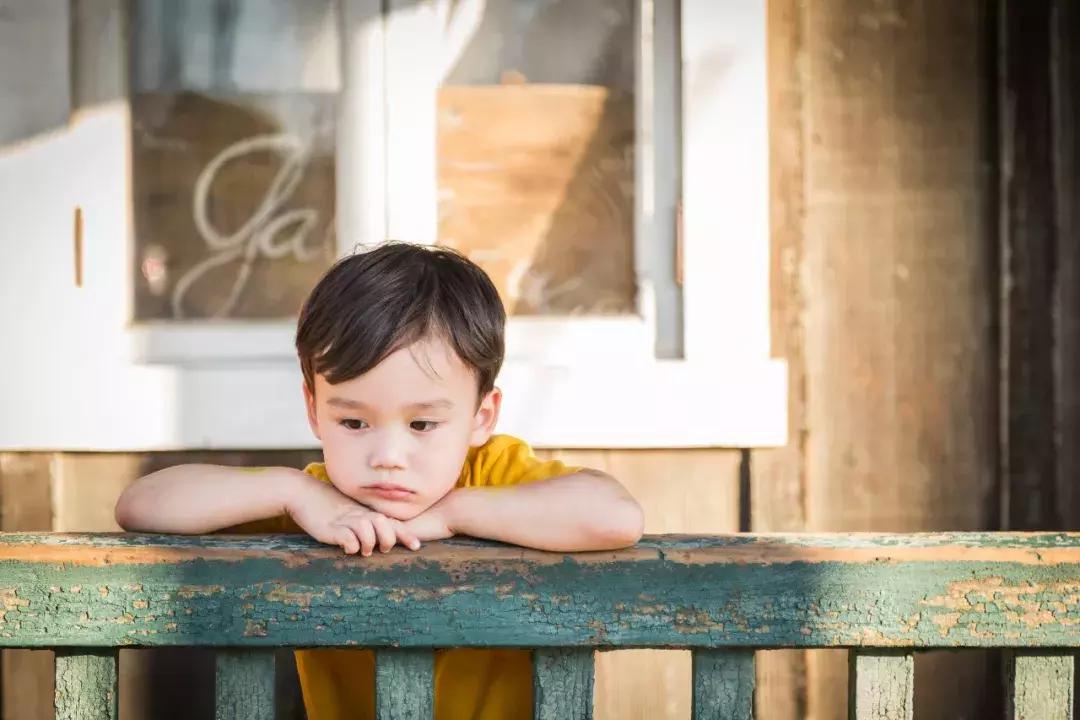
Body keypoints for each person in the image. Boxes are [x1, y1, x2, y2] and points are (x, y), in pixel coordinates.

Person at [115, 241, 645, 720]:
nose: (388, 456)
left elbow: (616, 516)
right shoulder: (323, 499)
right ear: (314, 410)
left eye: (421, 425)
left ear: (482, 416)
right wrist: (292, 489)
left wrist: (453, 513)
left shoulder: (497, 476)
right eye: (353, 423)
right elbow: (142, 505)